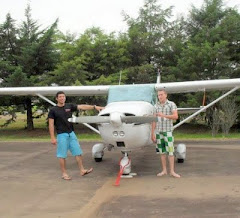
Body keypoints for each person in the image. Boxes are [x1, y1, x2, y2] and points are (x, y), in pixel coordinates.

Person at [48, 91, 104, 180]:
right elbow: (51, 124)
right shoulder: (53, 110)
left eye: (63, 96)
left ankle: (82, 170)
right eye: (60, 97)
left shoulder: (68, 106)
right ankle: (64, 174)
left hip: (71, 134)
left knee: (78, 153)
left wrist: (94, 107)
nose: (62, 98)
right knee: (62, 155)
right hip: (62, 135)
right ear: (57, 98)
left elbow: (81, 106)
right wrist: (52, 137)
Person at [151, 90, 180, 178]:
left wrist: (164, 115)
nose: (160, 96)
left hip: (168, 132)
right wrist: (152, 133)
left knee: (170, 152)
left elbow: (175, 116)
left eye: (161, 95)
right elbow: (154, 121)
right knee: (162, 152)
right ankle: (164, 170)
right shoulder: (155, 106)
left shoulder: (171, 104)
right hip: (159, 132)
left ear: (166, 95)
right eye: (159, 95)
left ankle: (172, 171)